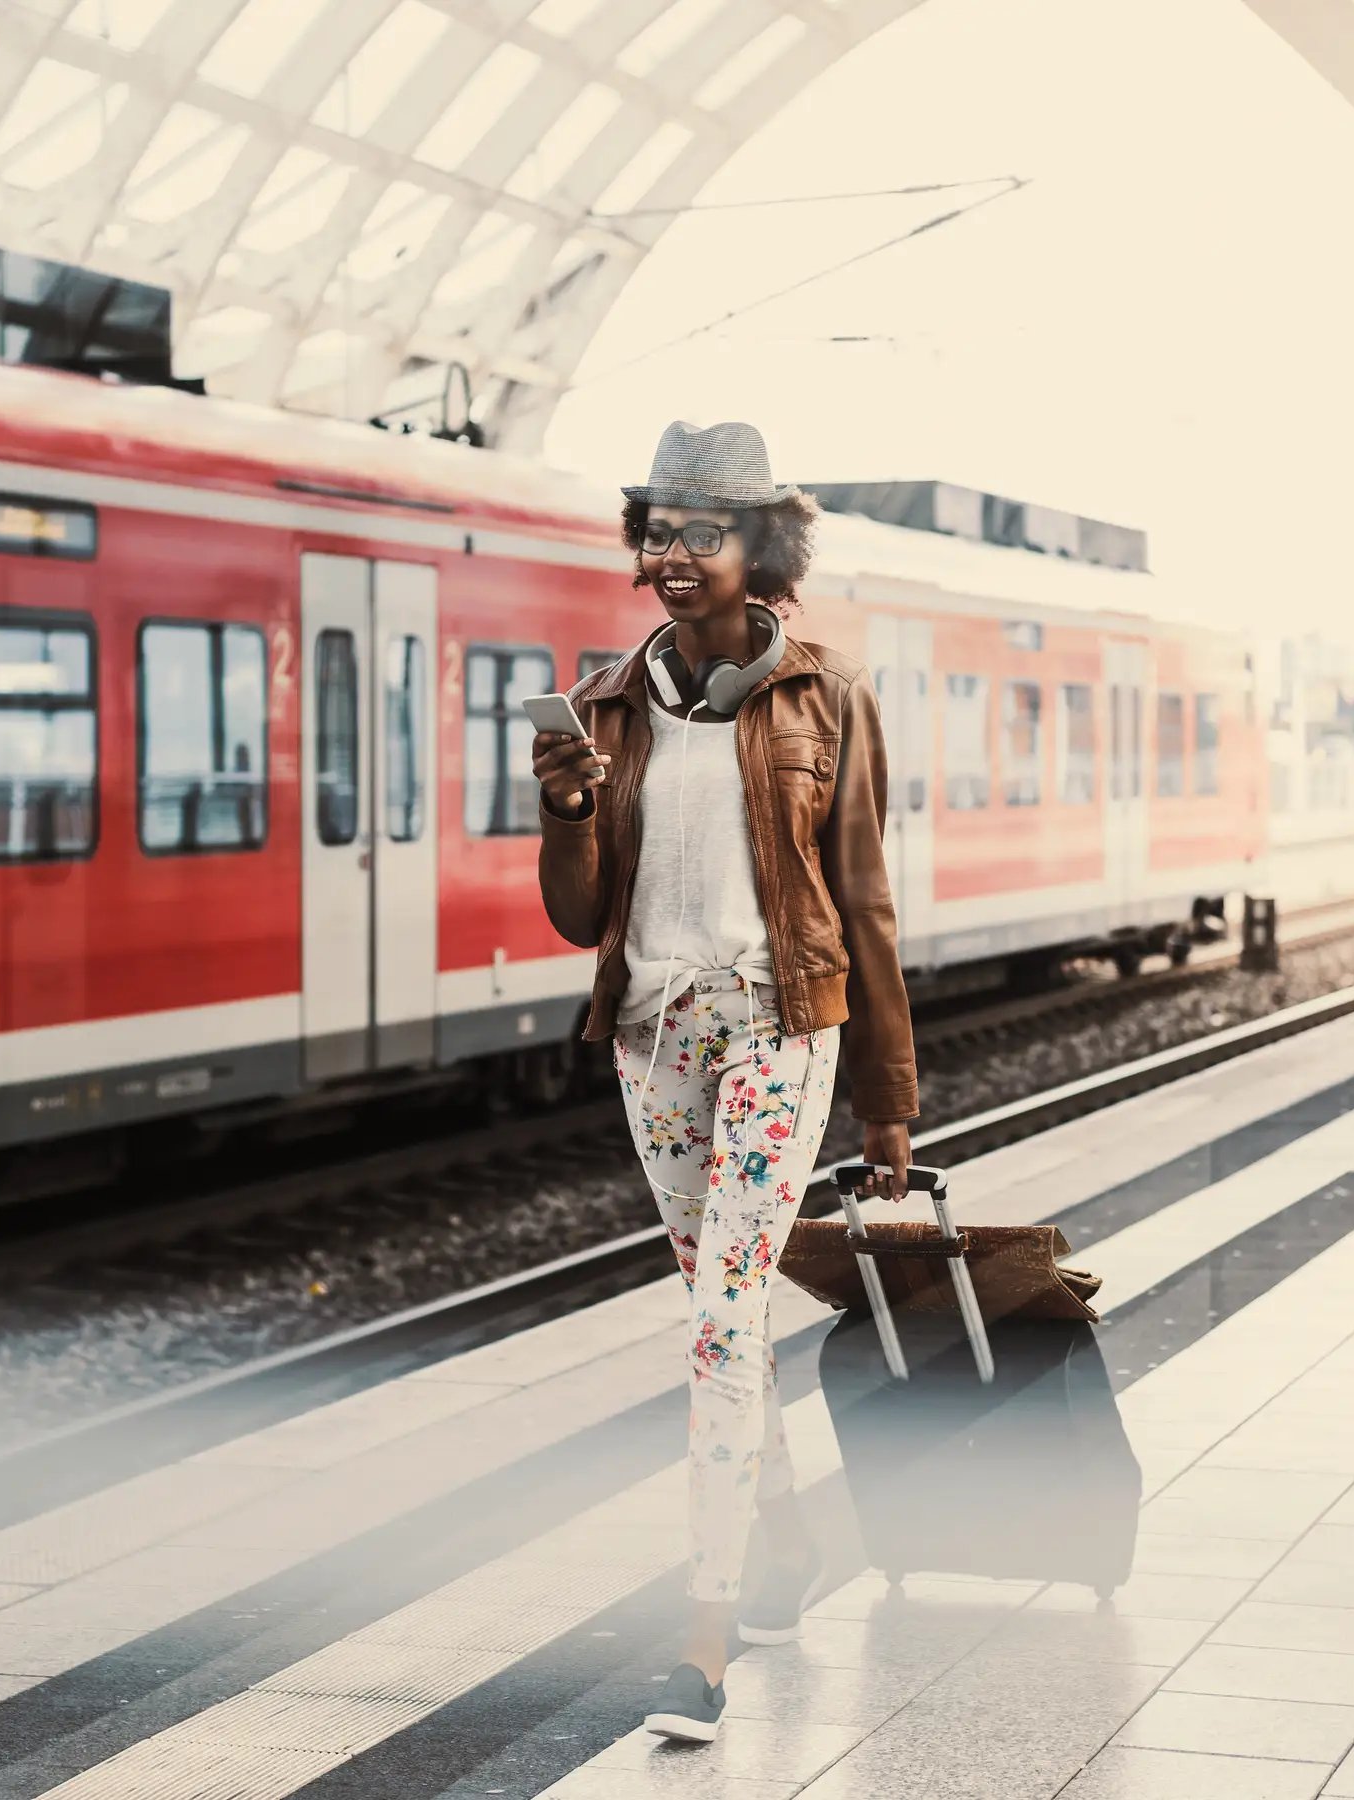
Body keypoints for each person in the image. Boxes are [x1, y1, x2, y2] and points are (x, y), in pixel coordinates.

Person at [533, 420, 919, 1743]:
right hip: (654, 1037)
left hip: (778, 1025)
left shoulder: (828, 701)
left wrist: (888, 1108)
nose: (674, 551)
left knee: (716, 1323)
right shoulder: (603, 704)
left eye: (705, 529)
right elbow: (580, 918)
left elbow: (862, 903)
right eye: (659, 526)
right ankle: (790, 1541)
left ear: (764, 549)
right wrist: (570, 811)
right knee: (728, 1312)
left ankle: (705, 1633)